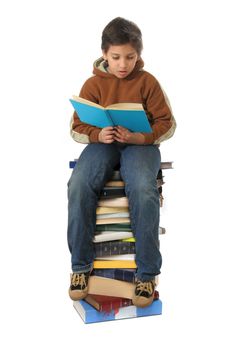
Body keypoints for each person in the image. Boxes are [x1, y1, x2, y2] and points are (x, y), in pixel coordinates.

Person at [67, 17, 176, 307]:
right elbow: (77, 126)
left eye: (130, 57)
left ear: (139, 55)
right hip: (105, 143)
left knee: (142, 187)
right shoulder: (93, 83)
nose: (123, 64)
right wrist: (97, 134)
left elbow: (168, 124)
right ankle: (80, 268)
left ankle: (147, 273)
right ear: (104, 54)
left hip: (140, 144)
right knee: (78, 184)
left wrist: (140, 137)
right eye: (116, 57)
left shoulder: (148, 81)